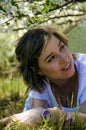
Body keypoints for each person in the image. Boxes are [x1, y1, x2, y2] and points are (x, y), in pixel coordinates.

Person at [0, 26, 86, 127]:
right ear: (37, 70)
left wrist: (50, 115)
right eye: (52, 58)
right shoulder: (41, 83)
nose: (64, 59)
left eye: (62, 47)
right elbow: (35, 125)